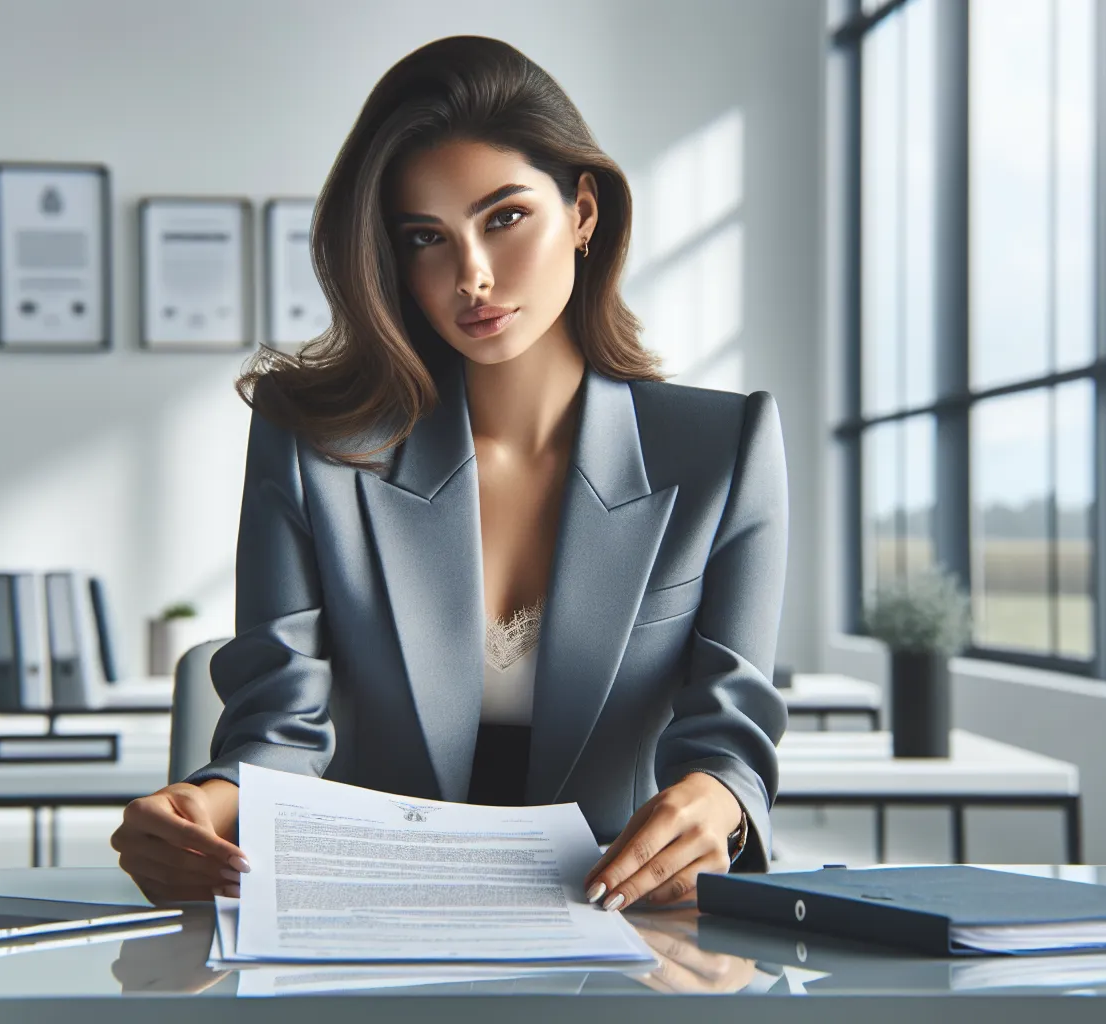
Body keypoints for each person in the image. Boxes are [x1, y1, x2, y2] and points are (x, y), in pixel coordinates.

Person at [112, 34, 788, 915]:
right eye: (426, 237)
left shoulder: (722, 448)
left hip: (628, 927)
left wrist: (719, 803)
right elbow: (282, 722)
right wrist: (206, 803)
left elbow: (729, 731)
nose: (472, 275)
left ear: (583, 212)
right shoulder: (312, 446)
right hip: (369, 921)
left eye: (504, 217)